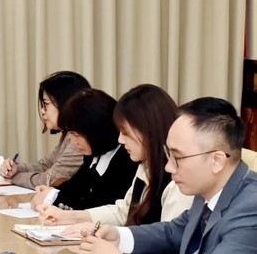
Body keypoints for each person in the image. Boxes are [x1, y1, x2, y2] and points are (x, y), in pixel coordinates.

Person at [78, 97, 257, 254]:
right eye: (168, 154)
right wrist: (118, 235)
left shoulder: (251, 207)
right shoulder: (213, 187)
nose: (168, 167)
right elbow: (175, 231)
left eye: (178, 157)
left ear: (217, 160)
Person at [39, 84, 193, 229]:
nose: (120, 139)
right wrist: (68, 217)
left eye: (125, 133)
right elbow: (123, 211)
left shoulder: (179, 181)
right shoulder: (146, 166)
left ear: (148, 130)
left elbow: (170, 248)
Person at [31, 89, 138, 210]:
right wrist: (53, 192)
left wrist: (52, 197)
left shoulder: (127, 160)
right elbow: (76, 187)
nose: (72, 140)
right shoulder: (94, 155)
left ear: (96, 131)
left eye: (76, 134)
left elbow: (97, 205)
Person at [0, 71, 91, 188]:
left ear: (66, 103)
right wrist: (16, 169)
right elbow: (46, 165)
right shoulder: (69, 133)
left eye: (46, 104)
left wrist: (14, 178)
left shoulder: (80, 138)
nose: (42, 111)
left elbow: (51, 179)